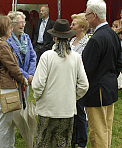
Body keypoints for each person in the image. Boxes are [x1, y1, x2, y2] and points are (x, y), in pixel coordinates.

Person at [32, 19, 89, 148]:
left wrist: (39, 97)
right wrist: (72, 98)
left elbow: (37, 84)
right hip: (67, 110)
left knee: (44, 143)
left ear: (54, 37)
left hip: (47, 109)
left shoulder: (47, 56)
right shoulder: (76, 57)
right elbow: (84, 85)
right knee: (63, 143)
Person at [82, 0, 122, 148]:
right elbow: (118, 64)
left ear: (93, 15)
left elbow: (86, 69)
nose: (85, 17)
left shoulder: (96, 39)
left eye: (86, 14)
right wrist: (109, 77)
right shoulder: (112, 34)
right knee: (106, 128)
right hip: (109, 87)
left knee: (97, 131)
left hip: (96, 91)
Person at [0, 15, 28, 148]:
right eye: (9, 26)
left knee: (8, 122)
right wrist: (23, 80)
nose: (11, 29)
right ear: (3, 29)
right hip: (5, 88)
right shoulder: (2, 45)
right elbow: (13, 68)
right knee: (3, 124)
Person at [6, 11, 36, 104]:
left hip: (26, 80)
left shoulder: (26, 38)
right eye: (20, 23)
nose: (23, 25)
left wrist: (30, 74)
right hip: (13, 79)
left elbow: (33, 57)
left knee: (24, 105)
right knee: (13, 107)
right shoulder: (7, 40)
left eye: (24, 22)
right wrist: (26, 76)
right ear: (12, 25)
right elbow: (11, 63)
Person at [69, 13, 90, 148]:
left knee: (80, 111)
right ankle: (73, 138)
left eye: (74, 24)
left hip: (80, 82)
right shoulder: (71, 41)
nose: (71, 26)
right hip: (69, 81)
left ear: (82, 27)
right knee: (72, 112)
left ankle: (82, 141)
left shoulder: (88, 43)